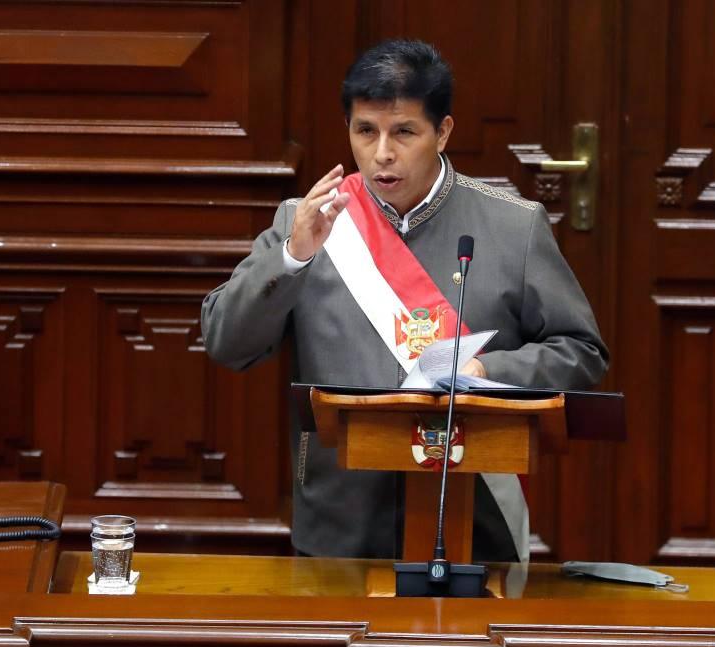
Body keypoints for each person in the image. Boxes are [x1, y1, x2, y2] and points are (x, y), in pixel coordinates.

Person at [201, 39, 608, 562]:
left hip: (475, 517)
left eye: (404, 132)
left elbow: (581, 351)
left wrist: (489, 371)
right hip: (339, 515)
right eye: (365, 131)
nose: (382, 154)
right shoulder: (306, 222)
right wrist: (293, 257)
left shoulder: (513, 225)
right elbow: (225, 342)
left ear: (443, 132)